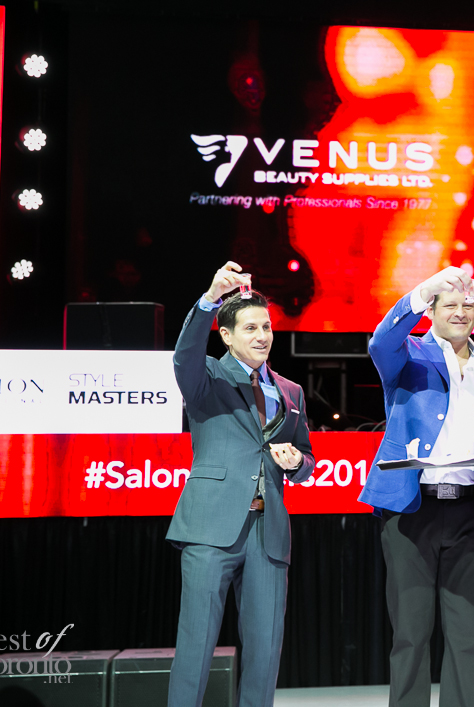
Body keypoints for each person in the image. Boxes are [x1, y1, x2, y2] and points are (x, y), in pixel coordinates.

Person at [359, 266, 474, 707]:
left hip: (472, 513)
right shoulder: (406, 355)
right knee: (411, 634)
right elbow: (380, 341)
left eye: (468, 304)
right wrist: (422, 291)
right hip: (413, 510)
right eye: (449, 304)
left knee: (469, 637)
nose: (461, 312)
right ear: (430, 311)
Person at [166, 261, 314, 707]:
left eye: (266, 327)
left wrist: (297, 463)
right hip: (210, 529)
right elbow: (184, 354)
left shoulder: (290, 391)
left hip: (268, 534)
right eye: (250, 328)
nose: (262, 335)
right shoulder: (207, 377)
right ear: (226, 335)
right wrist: (210, 299)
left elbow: (307, 458)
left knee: (265, 651)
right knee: (196, 644)